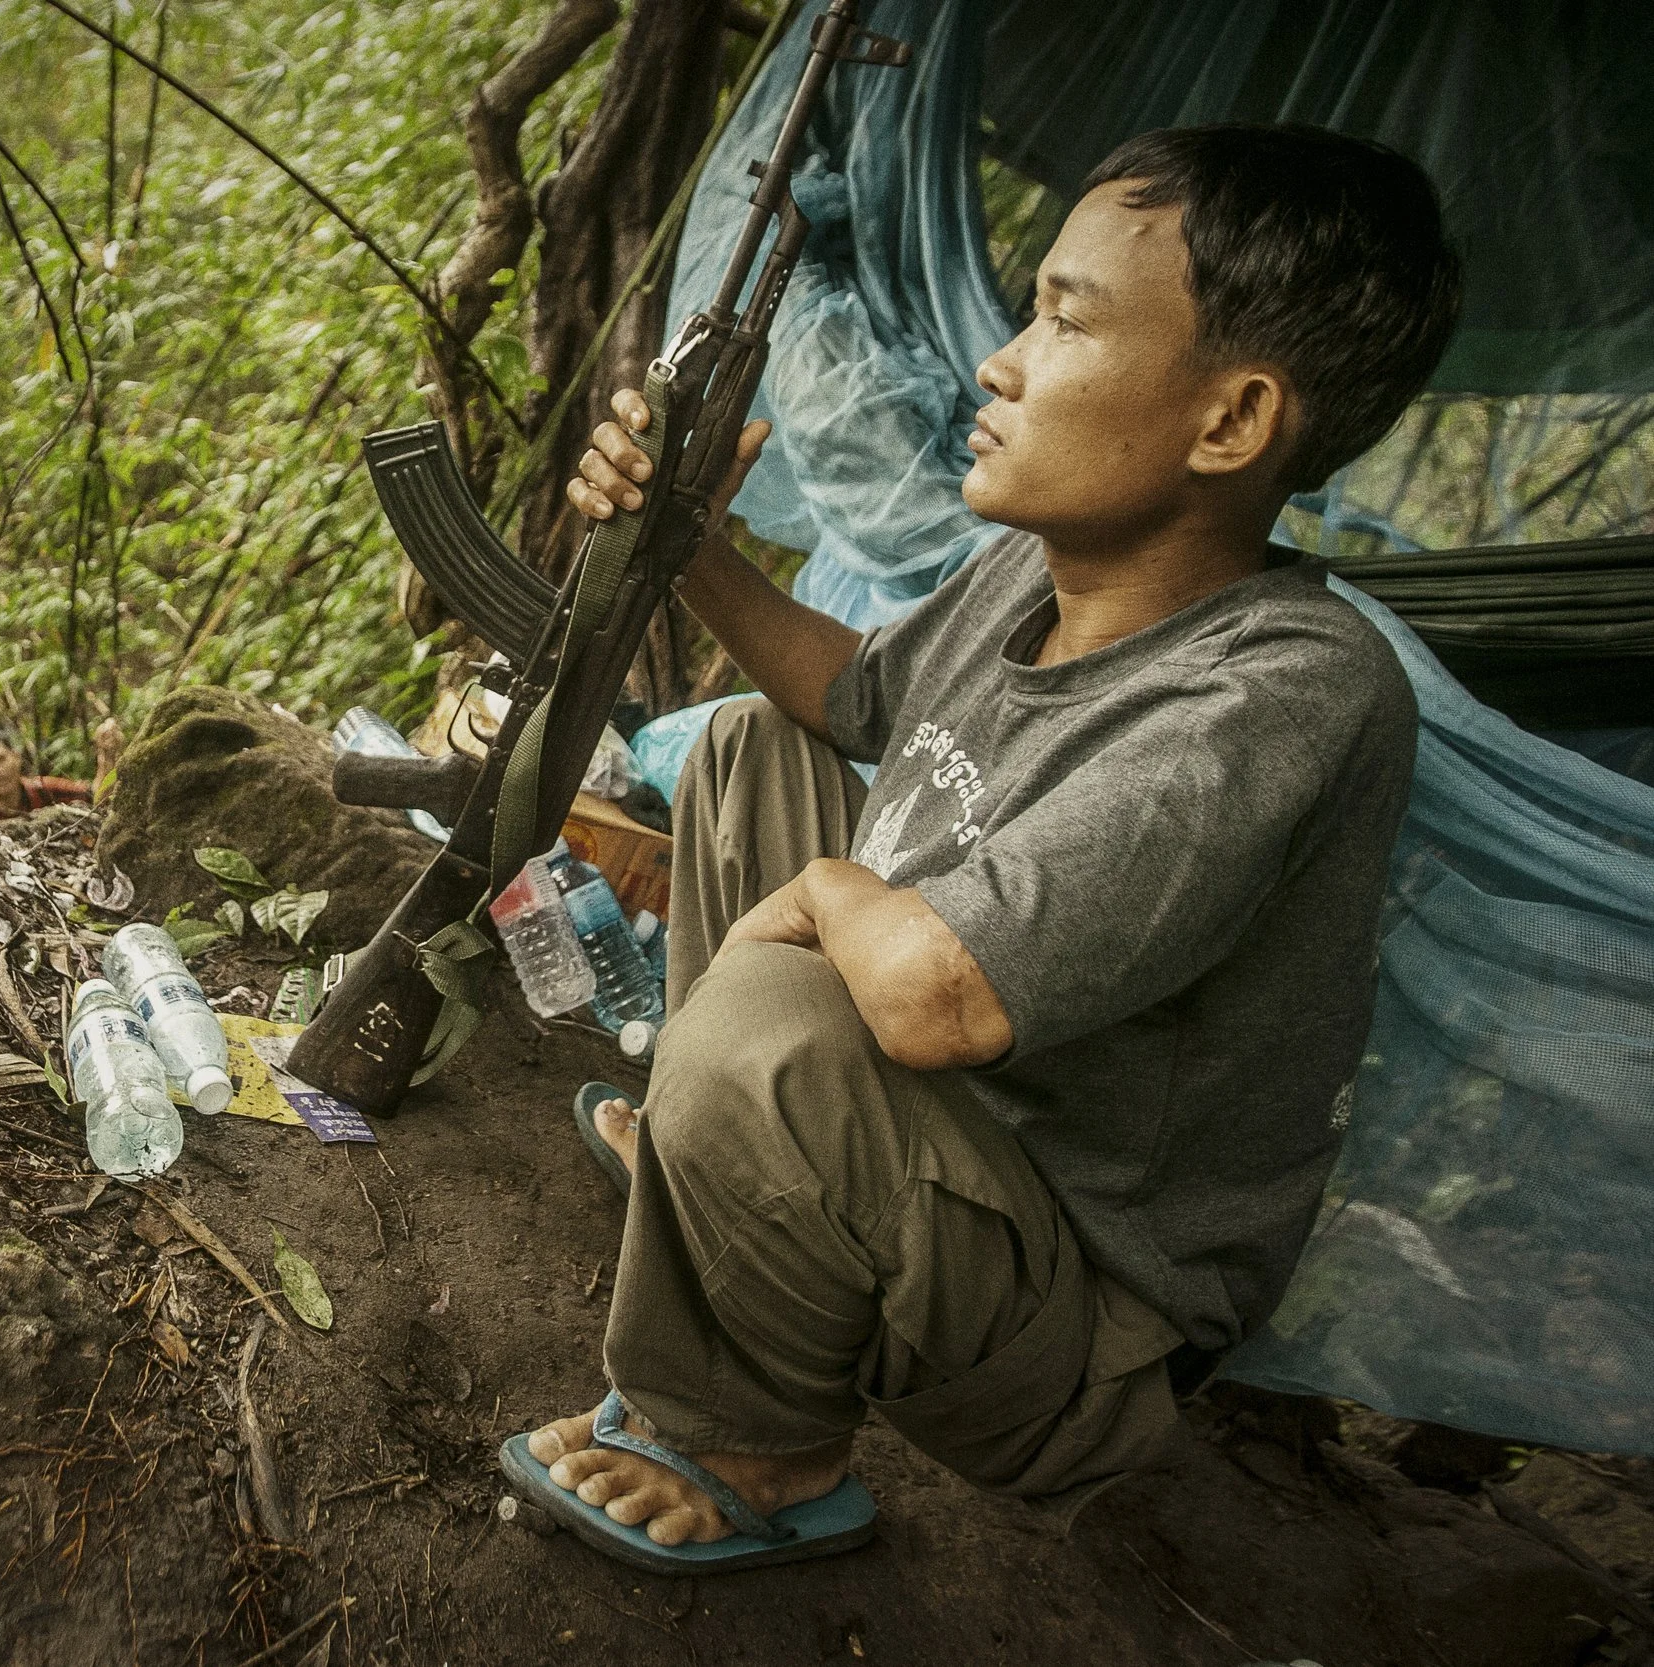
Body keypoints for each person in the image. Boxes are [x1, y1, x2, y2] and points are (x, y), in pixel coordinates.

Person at [510, 124, 1460, 1562]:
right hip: (954, 1168)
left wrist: (824, 894)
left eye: (1066, 320)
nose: (1004, 362)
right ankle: (727, 1177)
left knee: (780, 1000)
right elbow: (851, 696)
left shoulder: (1286, 691)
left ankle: (753, 1444)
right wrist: (686, 546)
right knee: (759, 753)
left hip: (1076, 1317)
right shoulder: (1038, 565)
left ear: (1229, 421)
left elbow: (932, 997)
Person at [0, 719, 123, 844]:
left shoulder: (41, 789)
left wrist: (106, 755)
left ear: (16, 758)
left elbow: (96, 798)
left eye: (1, 759)